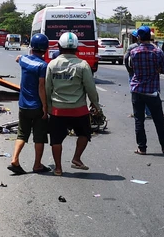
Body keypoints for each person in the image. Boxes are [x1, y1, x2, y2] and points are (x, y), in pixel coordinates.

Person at [45, 32, 100, 176]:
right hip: (79, 110)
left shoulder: (52, 64)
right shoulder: (83, 65)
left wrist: (48, 108)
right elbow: (90, 88)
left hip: (58, 110)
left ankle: (58, 168)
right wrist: (96, 104)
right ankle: (76, 158)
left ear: (59, 46)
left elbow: (47, 88)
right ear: (77, 47)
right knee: (85, 134)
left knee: (56, 139)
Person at [129, 26, 164, 155]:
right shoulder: (158, 52)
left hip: (136, 89)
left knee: (139, 120)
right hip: (151, 91)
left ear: (139, 38)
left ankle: (142, 148)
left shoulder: (133, 52)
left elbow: (131, 67)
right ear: (150, 37)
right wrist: (156, 69)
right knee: (159, 121)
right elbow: (163, 70)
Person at [9, 33, 50, 175]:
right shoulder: (43, 66)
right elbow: (41, 87)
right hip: (37, 106)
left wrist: (19, 58)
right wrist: (45, 107)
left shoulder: (24, 60)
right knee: (39, 137)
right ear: (45, 49)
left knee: (22, 134)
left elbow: (19, 58)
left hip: (23, 105)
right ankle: (37, 165)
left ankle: (14, 159)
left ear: (31, 47)